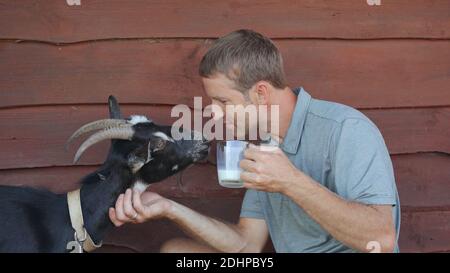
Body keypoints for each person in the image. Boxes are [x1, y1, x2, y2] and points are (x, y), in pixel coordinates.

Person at [108, 29, 400, 253]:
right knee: (177, 251)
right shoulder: (265, 145)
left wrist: (290, 181)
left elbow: (381, 238)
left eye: (223, 101)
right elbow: (246, 244)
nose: (215, 112)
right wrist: (169, 208)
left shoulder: (345, 129)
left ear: (260, 93)